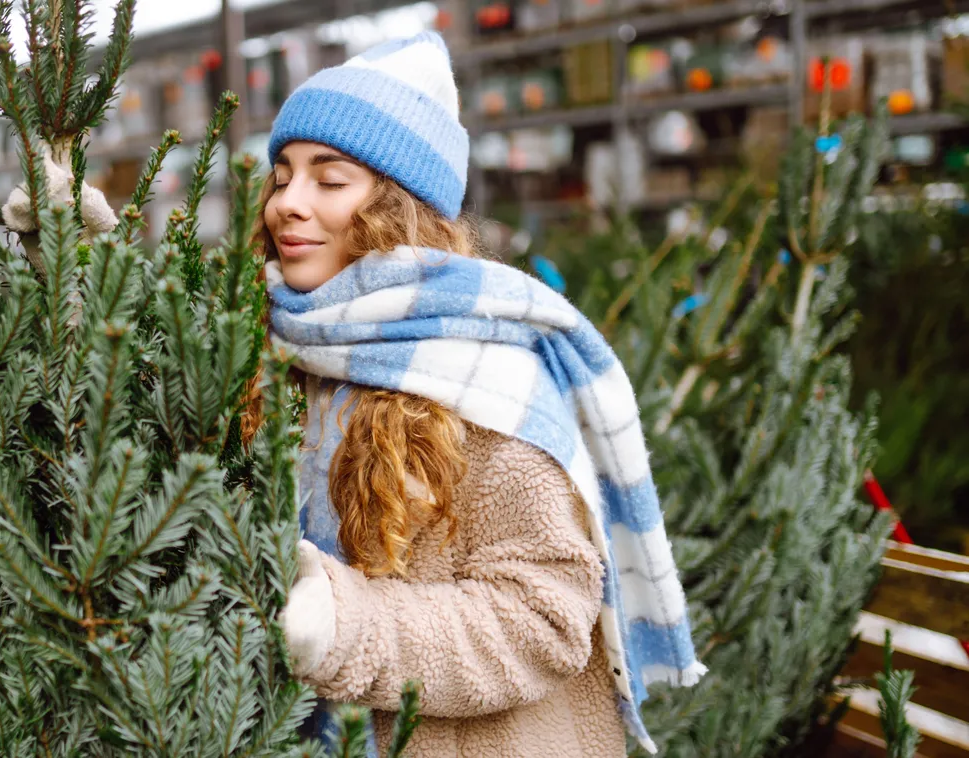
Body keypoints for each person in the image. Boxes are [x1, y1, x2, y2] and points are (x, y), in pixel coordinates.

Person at [254, 32, 706, 757]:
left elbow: (543, 619)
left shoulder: (483, 372)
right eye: (281, 176)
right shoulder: (279, 346)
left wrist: (346, 628)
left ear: (396, 205)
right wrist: (65, 261)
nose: (287, 204)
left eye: (328, 180)